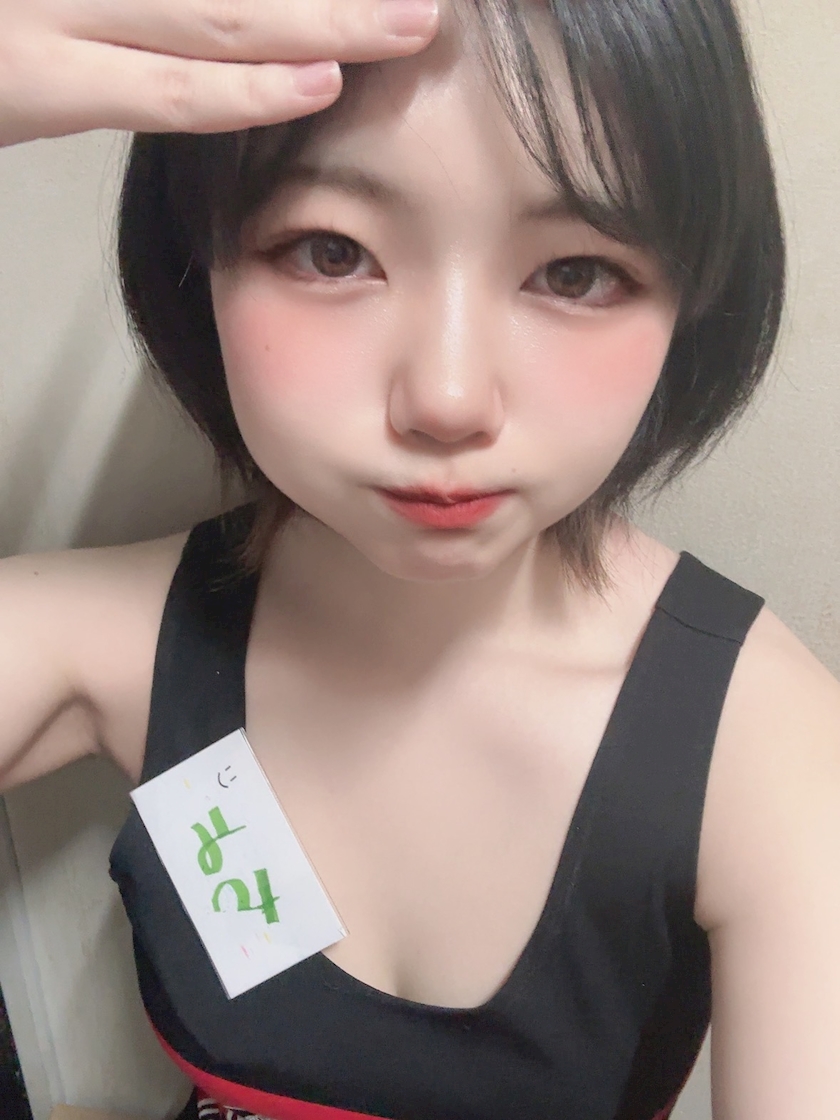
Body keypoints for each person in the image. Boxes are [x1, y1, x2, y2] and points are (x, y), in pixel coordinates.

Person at [1, 1, 839, 1118]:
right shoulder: (115, 643)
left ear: (694, 299)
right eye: (331, 251)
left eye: (575, 273)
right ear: (194, 260)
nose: (446, 398)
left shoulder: (769, 755)